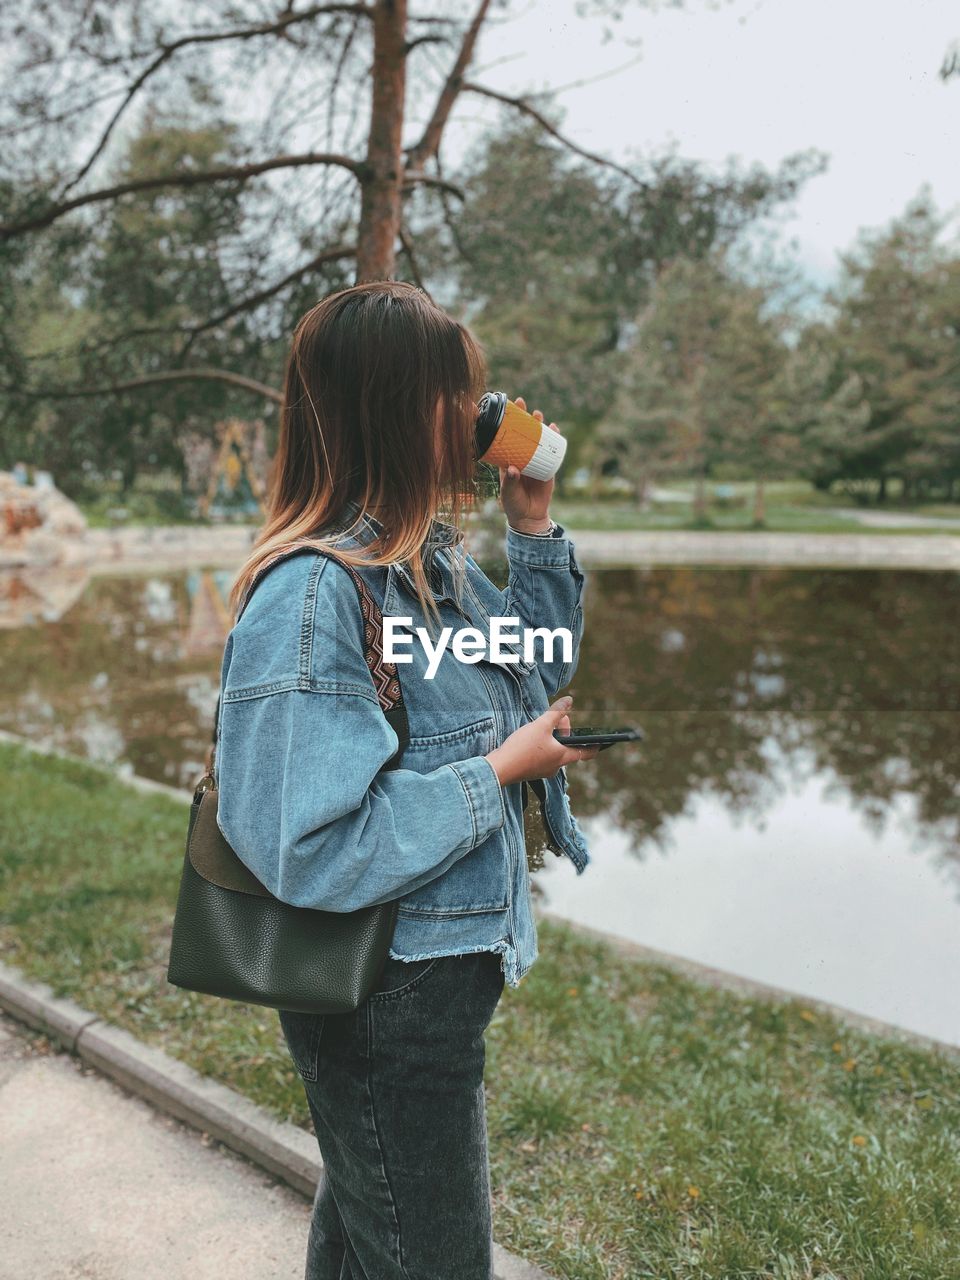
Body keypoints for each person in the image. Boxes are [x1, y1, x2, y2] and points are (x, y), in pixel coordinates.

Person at [214, 280, 597, 1280]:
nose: (476, 417)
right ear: (393, 409)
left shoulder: (428, 565)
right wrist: (498, 772)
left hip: (432, 976)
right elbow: (310, 846)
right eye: (454, 393)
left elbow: (540, 673)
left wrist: (535, 524)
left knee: (366, 1233)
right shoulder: (312, 595)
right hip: (384, 993)